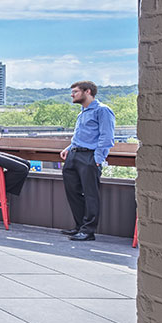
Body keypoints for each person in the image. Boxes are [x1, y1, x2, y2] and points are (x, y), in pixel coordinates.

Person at [60, 80, 116, 241]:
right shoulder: (82, 112)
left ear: (88, 92)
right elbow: (82, 136)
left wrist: (97, 159)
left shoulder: (103, 111)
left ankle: (88, 231)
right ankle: (79, 227)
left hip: (89, 157)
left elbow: (107, 137)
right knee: (73, 192)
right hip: (73, 156)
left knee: (91, 194)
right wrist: (69, 148)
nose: (72, 95)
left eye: (75, 91)